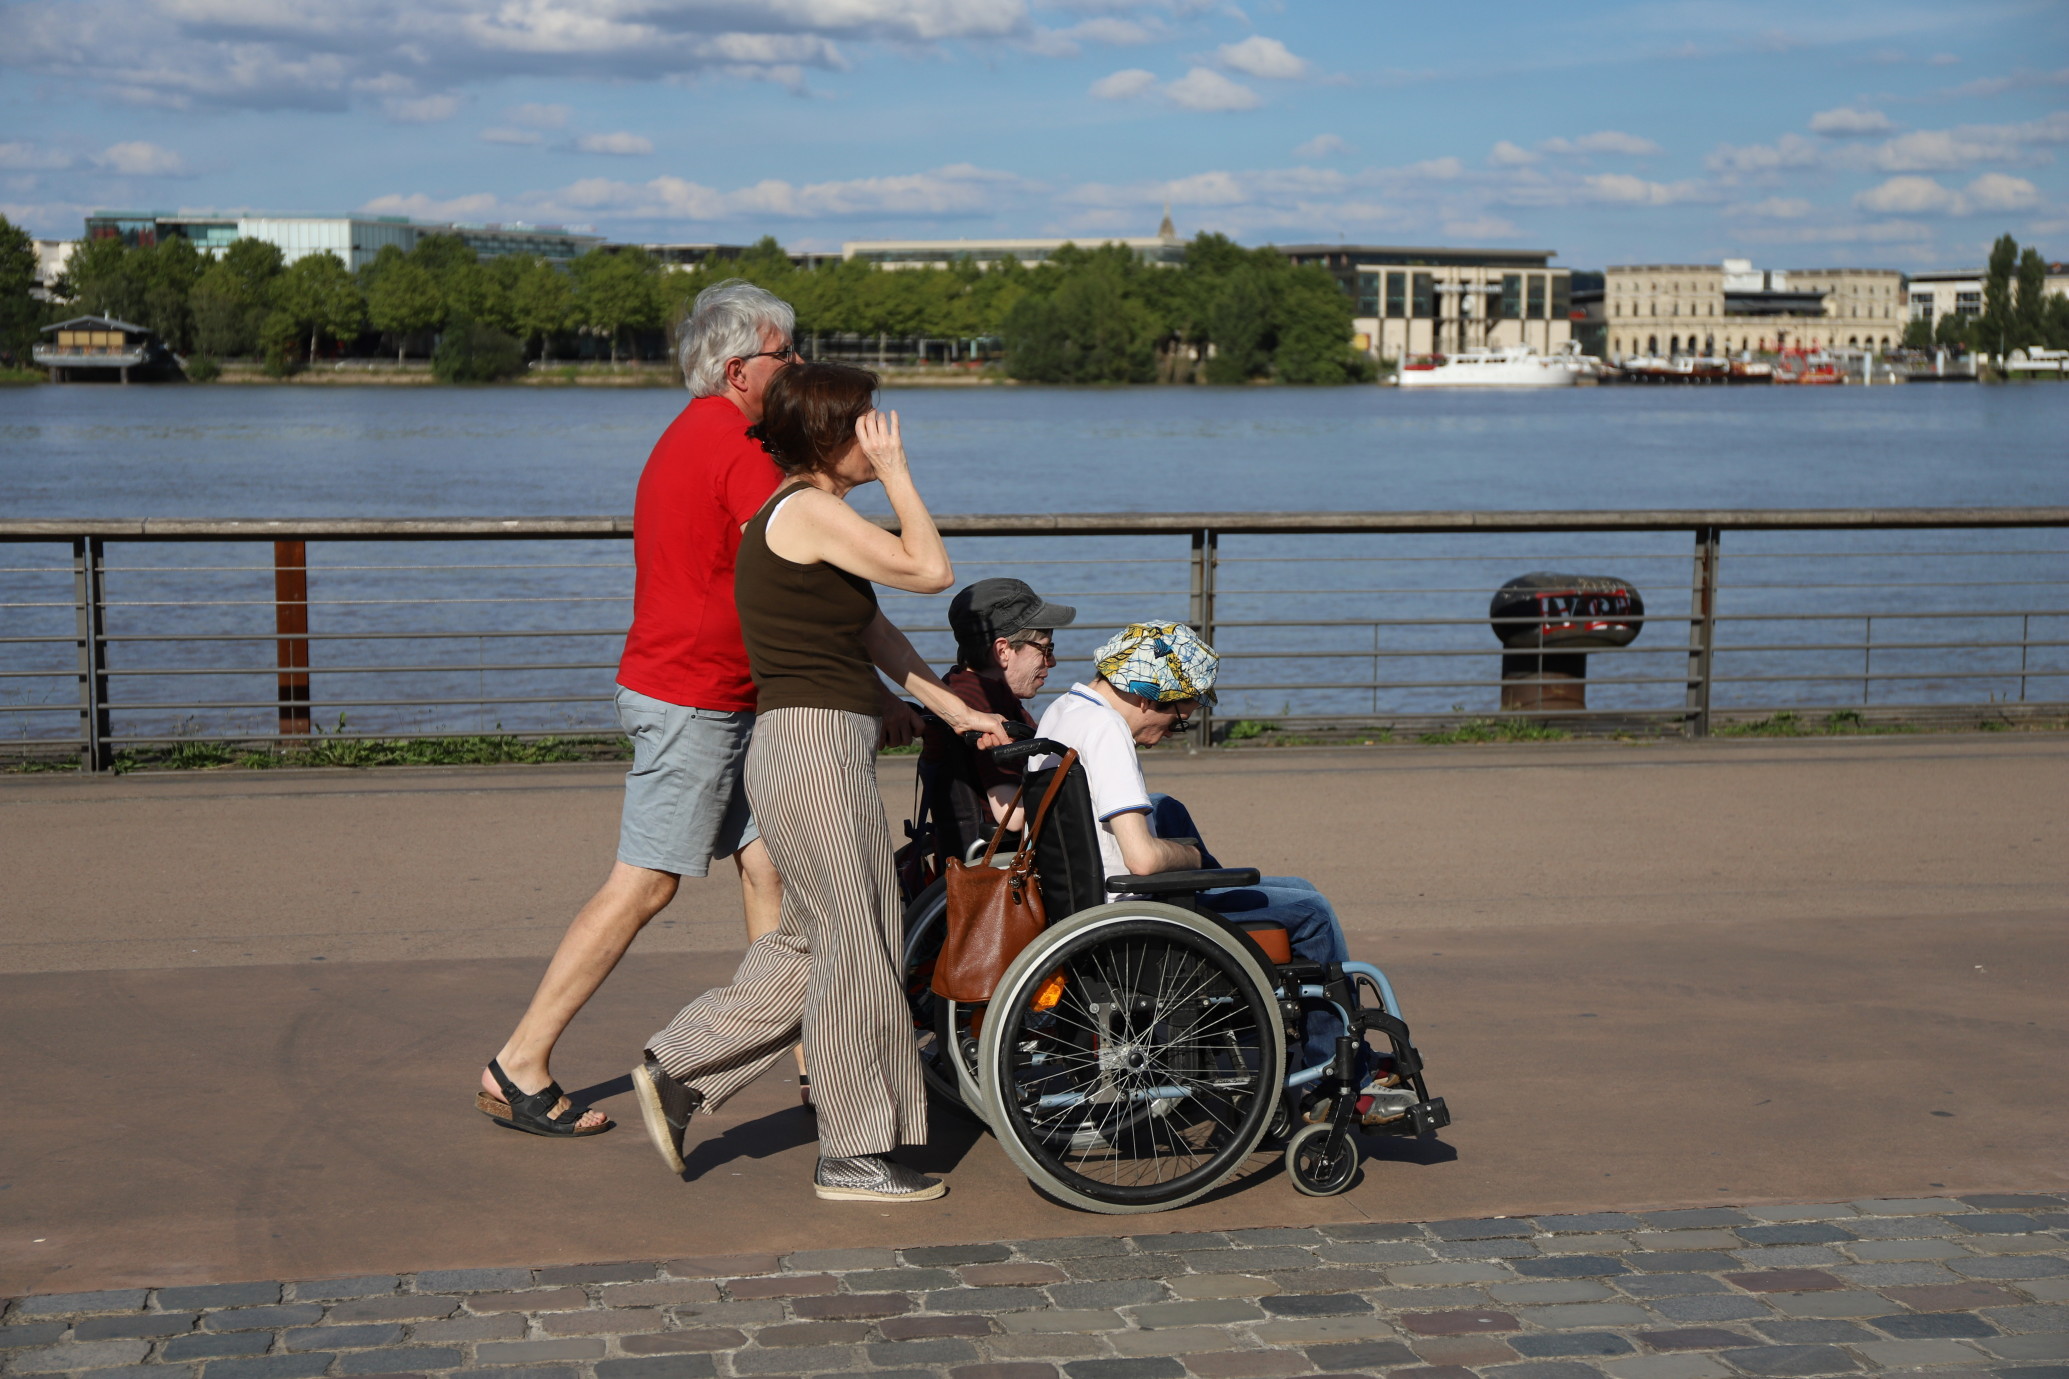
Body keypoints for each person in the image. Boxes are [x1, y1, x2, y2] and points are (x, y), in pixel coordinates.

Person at [631, 362, 1009, 1203]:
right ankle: (852, 1151)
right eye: (868, 421)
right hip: (809, 748)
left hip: (812, 746)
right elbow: (929, 569)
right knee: (859, 944)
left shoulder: (816, 521)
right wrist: (904, 474)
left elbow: (876, 631)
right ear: (832, 434)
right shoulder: (805, 511)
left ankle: (678, 1068)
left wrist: (954, 711)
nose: (881, 433)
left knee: (813, 940)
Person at [477, 280, 843, 1137]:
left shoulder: (699, 433)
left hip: (718, 692)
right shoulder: (735, 446)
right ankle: (518, 1062)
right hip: (695, 696)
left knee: (769, 870)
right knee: (644, 881)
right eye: (786, 354)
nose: (796, 365)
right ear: (737, 368)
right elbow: (808, 557)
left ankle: (808, 1068)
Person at [1029, 621, 1386, 1115]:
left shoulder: (1064, 710)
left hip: (1089, 905)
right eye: (1178, 720)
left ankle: (1295, 1038)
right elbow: (1144, 859)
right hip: (1136, 928)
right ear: (1150, 696)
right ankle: (1339, 1078)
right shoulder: (1109, 731)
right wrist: (1192, 857)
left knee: (1278, 877)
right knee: (1313, 910)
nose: (1168, 735)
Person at [915, 578, 1075, 865]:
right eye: (1046, 649)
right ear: (1003, 650)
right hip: (1007, 860)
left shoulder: (961, 688)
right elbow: (1011, 816)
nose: (1051, 663)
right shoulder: (982, 705)